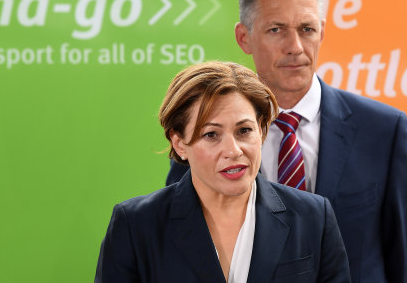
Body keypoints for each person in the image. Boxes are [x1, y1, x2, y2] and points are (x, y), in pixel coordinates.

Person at [167, 0, 407, 282]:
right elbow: (181, 244)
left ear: (322, 31)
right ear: (244, 37)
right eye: (276, 29)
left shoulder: (383, 131)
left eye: (307, 29)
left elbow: (405, 257)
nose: (296, 47)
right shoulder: (204, 133)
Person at [95, 61, 351, 282]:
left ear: (261, 131)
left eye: (244, 131)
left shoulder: (314, 217)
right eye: (211, 135)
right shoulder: (136, 225)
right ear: (180, 143)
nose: (233, 150)